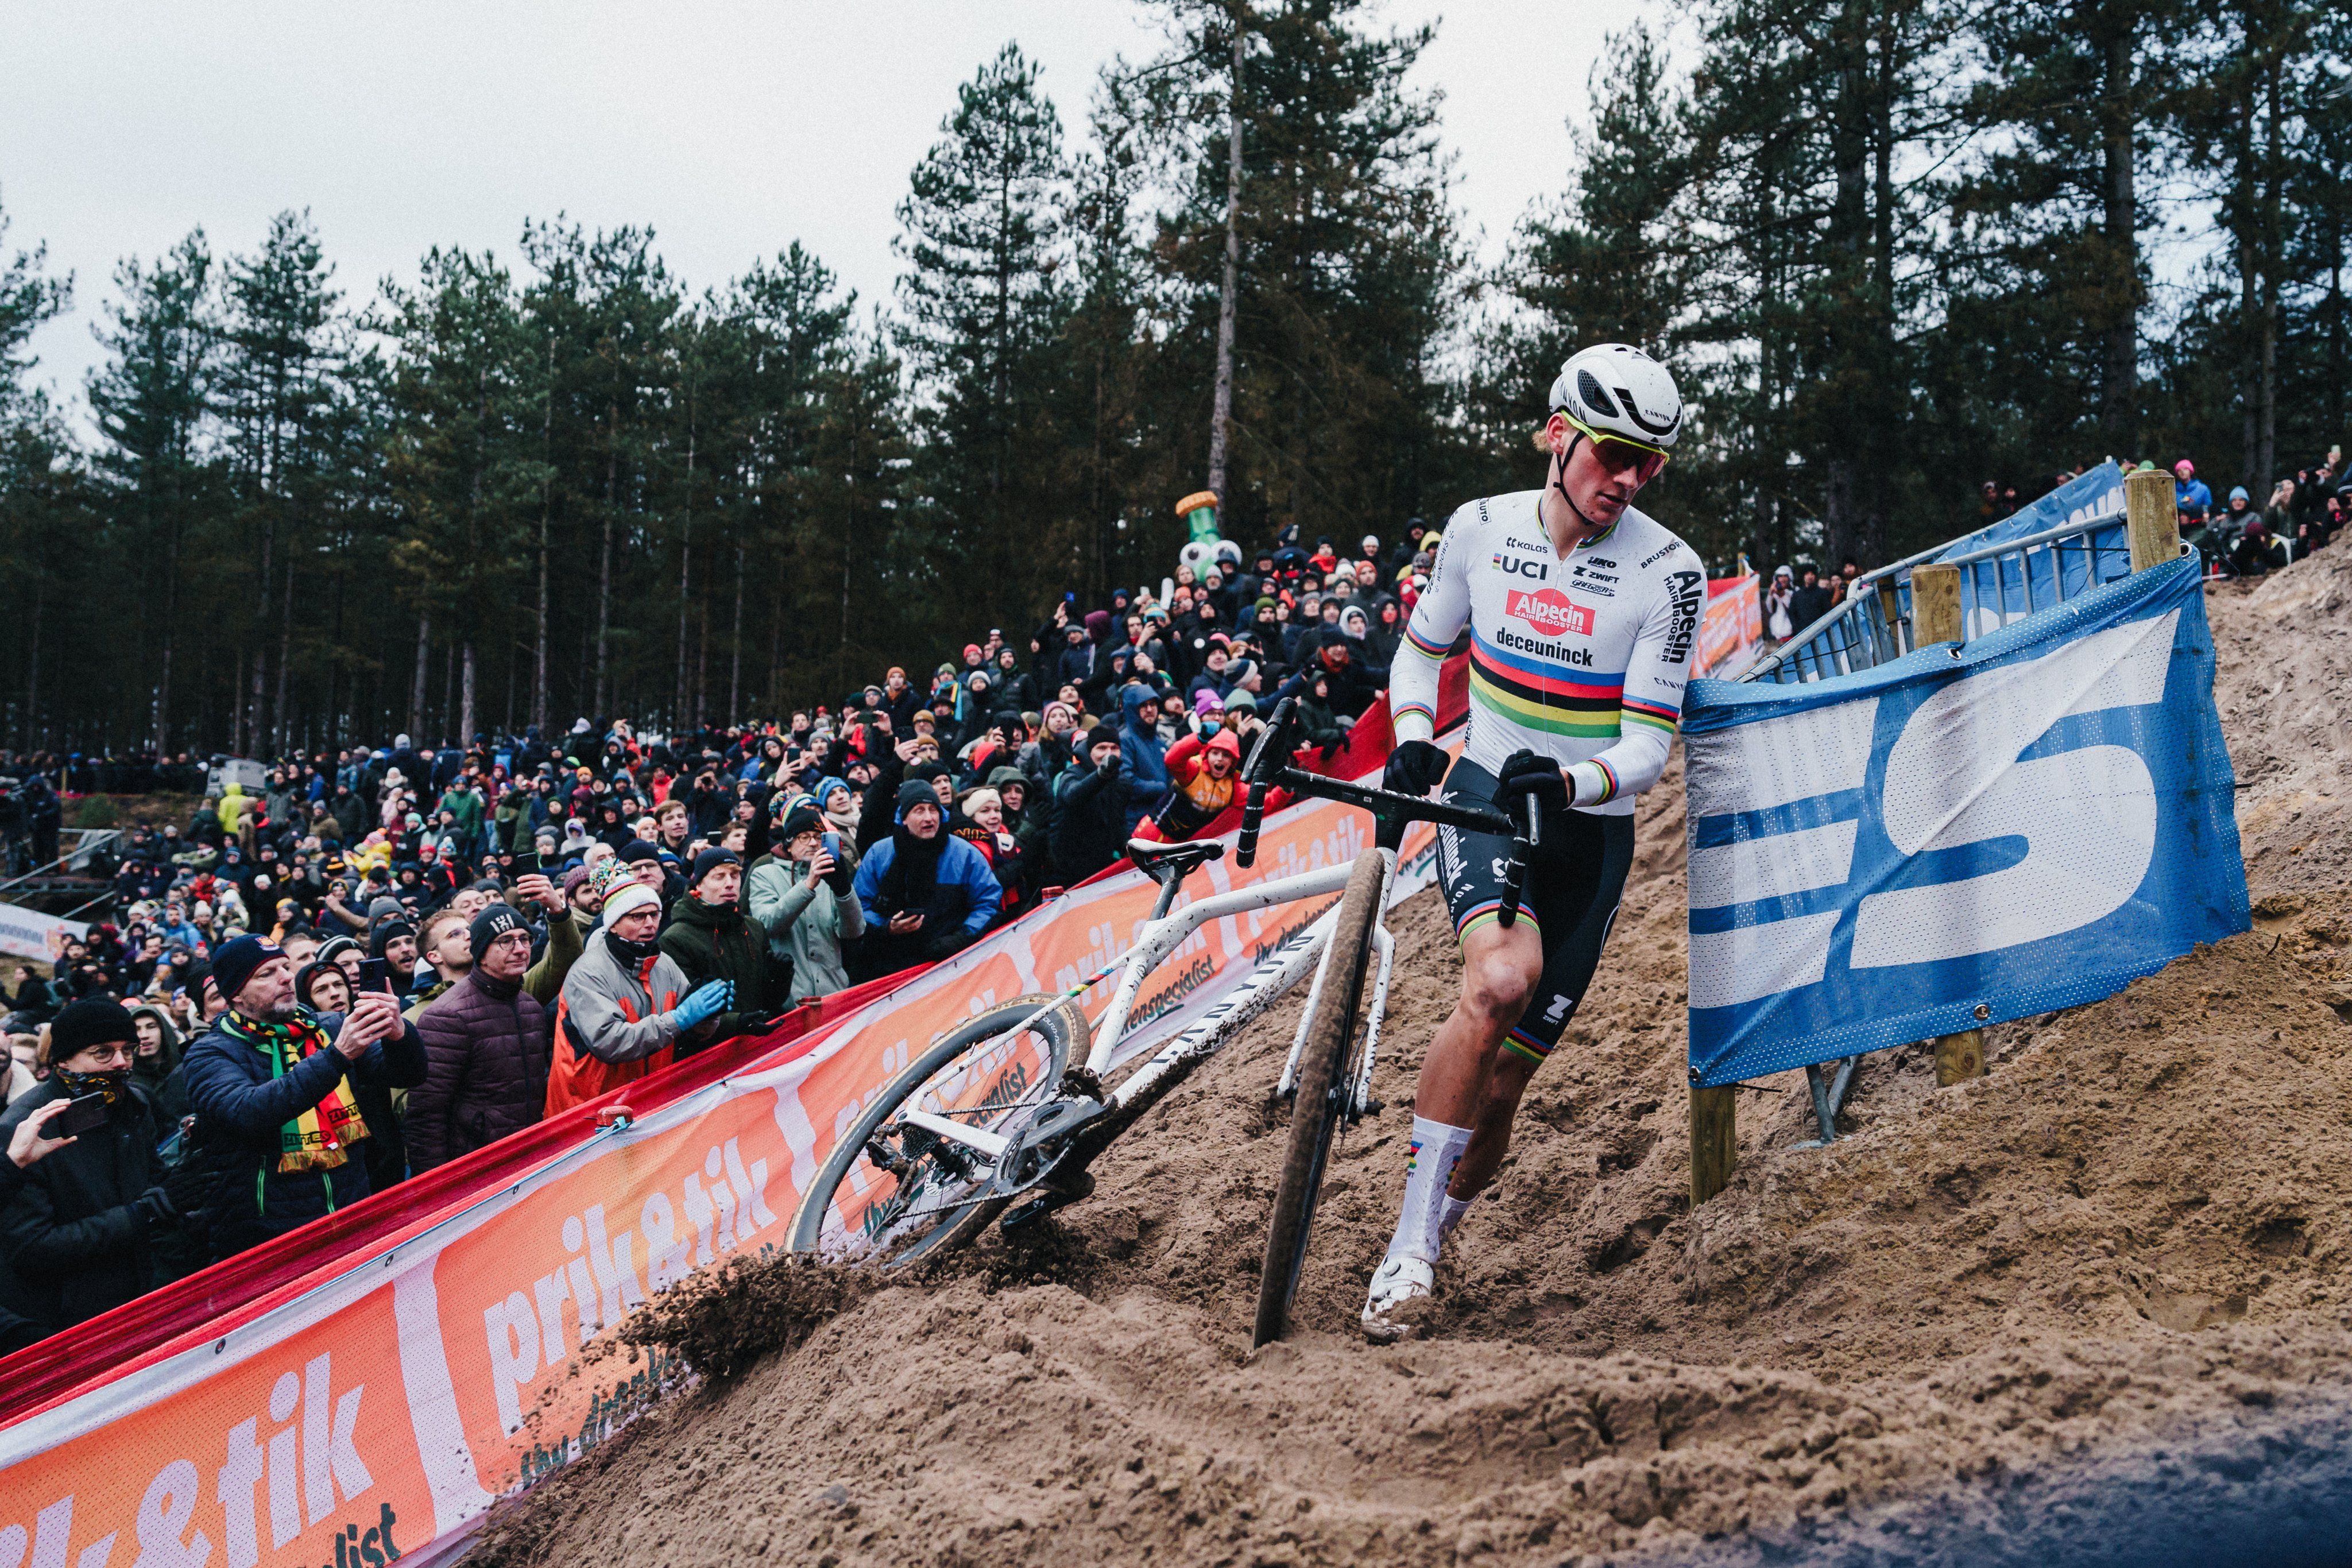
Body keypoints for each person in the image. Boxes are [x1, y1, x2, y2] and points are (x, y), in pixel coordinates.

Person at [1368, 342, 1696, 1340]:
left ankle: (1442, 1219)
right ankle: (1407, 1246)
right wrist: (1419, 737)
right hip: (1489, 791)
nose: (1628, 480)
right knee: (1498, 984)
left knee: (1512, 1074)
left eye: (1651, 465)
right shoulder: (1479, 528)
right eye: (1613, 453)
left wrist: (1569, 779)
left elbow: (1647, 747)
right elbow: (1420, 654)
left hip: (1587, 828)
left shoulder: (1668, 571)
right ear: (1558, 435)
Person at [177, 935, 427, 1264]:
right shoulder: (210, 1053)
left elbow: (408, 1075)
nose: (285, 978)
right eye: (266, 974)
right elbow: (250, 1112)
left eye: (285, 967)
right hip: (271, 1236)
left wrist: (399, 1033)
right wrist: (337, 1056)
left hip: (352, 1211)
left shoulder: (330, 1026)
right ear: (235, 993)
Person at [0, 1000, 175, 1335]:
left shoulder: (133, 1103)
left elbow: (152, 1183)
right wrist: (139, 1216)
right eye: (102, 1053)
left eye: (128, 1050)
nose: (122, 1062)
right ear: (64, 1059)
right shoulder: (24, 1127)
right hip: (67, 1320)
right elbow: (32, 1247)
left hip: (140, 1297)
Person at [544, 879, 731, 1115]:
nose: (650, 924)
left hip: (647, 1103)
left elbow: (688, 1028)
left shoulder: (664, 964)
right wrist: (682, 1018)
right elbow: (611, 1042)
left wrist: (709, 1018)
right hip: (591, 1110)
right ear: (613, 924)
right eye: (638, 917)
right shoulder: (588, 972)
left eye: (654, 914)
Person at [407, 904, 556, 1172]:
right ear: (481, 953)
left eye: (525, 939)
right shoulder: (446, 1017)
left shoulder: (531, 1008)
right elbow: (426, 1116)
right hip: (476, 1169)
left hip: (530, 1158)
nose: (520, 949)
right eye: (506, 941)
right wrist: (436, 1189)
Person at [853, 780, 1003, 975]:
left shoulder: (964, 853)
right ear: (904, 818)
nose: (929, 818)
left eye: (933, 810)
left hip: (954, 964)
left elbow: (989, 902)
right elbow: (857, 907)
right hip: (891, 966)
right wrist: (887, 927)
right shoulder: (879, 854)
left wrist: (963, 936)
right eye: (919, 810)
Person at [657, 849, 789, 1046]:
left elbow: (769, 1001)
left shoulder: (753, 927)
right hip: (710, 1052)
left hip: (759, 1044)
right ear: (699, 884)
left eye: (735, 875)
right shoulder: (675, 939)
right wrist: (736, 1023)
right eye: (719, 877)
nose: (730, 883)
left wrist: (780, 978)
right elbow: (682, 1012)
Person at [747, 802, 864, 1004]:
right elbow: (766, 925)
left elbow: (853, 932)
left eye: (819, 838)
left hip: (833, 995)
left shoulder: (831, 877)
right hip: (789, 1000)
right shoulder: (764, 874)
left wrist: (844, 892)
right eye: (804, 837)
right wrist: (808, 885)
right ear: (789, 844)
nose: (813, 843)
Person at [1049, 727, 1131, 885]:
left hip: (1100, 870)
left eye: (1114, 748)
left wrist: (1127, 846)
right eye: (1102, 748)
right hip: (1066, 871)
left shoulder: (1121, 783)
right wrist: (1101, 776)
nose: (1108, 753)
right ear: (1089, 751)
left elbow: (1119, 821)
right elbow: (1072, 796)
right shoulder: (1072, 774)